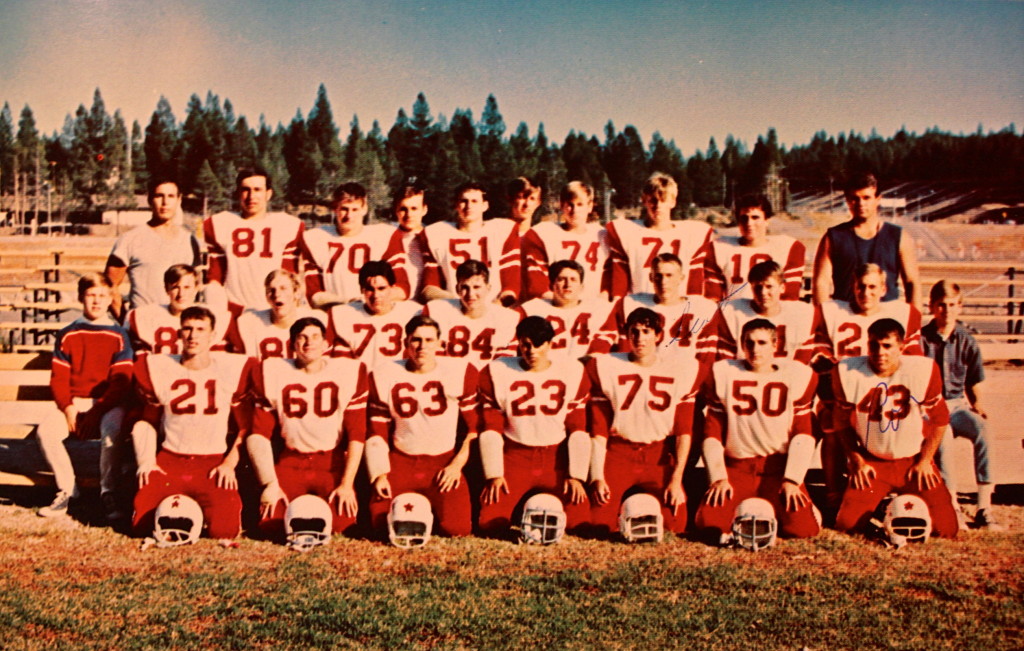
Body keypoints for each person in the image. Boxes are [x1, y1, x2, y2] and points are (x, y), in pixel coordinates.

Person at [131, 306, 255, 542]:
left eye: (200, 329)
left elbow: (245, 427)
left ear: (213, 335)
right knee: (140, 525)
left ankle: (193, 512)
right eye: (187, 329)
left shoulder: (228, 370)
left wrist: (229, 464)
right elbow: (146, 422)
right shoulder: (162, 368)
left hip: (212, 463)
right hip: (170, 459)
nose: (193, 335)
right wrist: (146, 461)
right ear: (179, 333)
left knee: (225, 530)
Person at [829, 318, 958, 538]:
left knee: (946, 529)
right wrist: (857, 460)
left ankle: (896, 502)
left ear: (901, 348)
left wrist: (925, 461)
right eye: (874, 345)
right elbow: (840, 422)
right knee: (847, 523)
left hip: (912, 462)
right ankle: (883, 506)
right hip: (874, 462)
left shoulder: (921, 370)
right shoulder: (848, 372)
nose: (880, 352)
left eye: (887, 346)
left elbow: (941, 420)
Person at [695, 319, 820, 544]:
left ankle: (807, 506)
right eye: (749, 343)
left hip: (777, 469)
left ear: (775, 345)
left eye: (762, 342)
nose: (755, 349)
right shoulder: (724, 373)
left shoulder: (796, 375)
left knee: (803, 529)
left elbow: (803, 433)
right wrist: (718, 478)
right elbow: (712, 433)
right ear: (742, 345)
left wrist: (792, 479)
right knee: (709, 523)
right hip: (738, 469)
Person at [586, 307, 705, 536]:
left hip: (657, 455)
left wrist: (676, 478)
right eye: (635, 331)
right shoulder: (607, 366)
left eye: (647, 331)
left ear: (659, 335)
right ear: (627, 334)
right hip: (618, 452)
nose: (640, 338)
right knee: (598, 522)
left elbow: (683, 431)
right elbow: (599, 430)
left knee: (676, 523)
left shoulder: (678, 369)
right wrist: (598, 476)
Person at [248, 317, 367, 538]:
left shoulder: (347, 371)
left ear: (326, 344)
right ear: (292, 343)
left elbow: (357, 434)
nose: (308, 343)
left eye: (314, 337)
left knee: (342, 523)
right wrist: (270, 483)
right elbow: (258, 435)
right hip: (291, 461)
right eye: (301, 337)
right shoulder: (273, 372)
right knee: (271, 524)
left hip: (331, 463)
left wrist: (347, 484)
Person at [365, 315, 478, 539]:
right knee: (379, 524)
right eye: (416, 340)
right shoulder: (384, 374)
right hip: (401, 461)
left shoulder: (459, 371)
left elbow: (475, 429)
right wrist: (379, 473)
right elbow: (377, 432)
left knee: (457, 529)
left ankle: (428, 511)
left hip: (442, 463)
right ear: (405, 343)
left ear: (439, 343)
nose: (422, 346)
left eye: (428, 340)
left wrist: (456, 465)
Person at [477, 316, 591, 537]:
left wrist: (575, 474)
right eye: (525, 344)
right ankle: (524, 507)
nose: (531, 350)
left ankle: (532, 507)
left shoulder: (572, 370)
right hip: (515, 456)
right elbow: (492, 427)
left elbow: (577, 427)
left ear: (550, 344)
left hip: (556, 458)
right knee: (490, 523)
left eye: (538, 344)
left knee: (581, 523)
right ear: (518, 343)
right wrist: (494, 473)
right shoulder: (497, 371)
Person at [36, 274, 133, 520]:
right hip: (75, 402)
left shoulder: (119, 335)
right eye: (91, 295)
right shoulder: (68, 333)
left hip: (106, 404)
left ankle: (107, 491)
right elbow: (59, 378)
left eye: (102, 295)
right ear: (81, 297)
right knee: (46, 432)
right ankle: (67, 490)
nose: (97, 301)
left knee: (113, 431)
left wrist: (96, 411)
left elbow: (121, 383)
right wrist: (68, 408)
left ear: (110, 298)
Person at [921, 281, 1000, 529]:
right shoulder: (921, 340)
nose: (947, 311)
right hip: (930, 407)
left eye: (952, 305)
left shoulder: (967, 341)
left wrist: (978, 405)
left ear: (960, 307)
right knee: (941, 436)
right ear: (932, 307)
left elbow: (974, 380)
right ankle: (951, 504)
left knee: (982, 429)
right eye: (941, 305)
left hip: (956, 404)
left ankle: (984, 506)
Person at [204, 167, 304, 311]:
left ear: (268, 194)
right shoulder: (221, 223)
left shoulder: (287, 226)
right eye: (246, 189)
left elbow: (289, 277)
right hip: (234, 308)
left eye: (258, 190)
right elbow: (216, 276)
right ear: (238, 193)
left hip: (274, 310)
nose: (251, 196)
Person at [812, 172, 920, 306]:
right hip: (846, 315)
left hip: (886, 316)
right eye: (854, 198)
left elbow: (912, 282)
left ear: (878, 199)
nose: (861, 203)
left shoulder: (898, 236)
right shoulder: (834, 237)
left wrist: (914, 322)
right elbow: (821, 282)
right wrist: (824, 319)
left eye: (866, 197)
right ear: (847, 200)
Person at [300, 182, 410, 309]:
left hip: (376, 314)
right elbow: (314, 293)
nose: (349, 216)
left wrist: (370, 298)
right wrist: (347, 303)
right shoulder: (316, 238)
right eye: (344, 209)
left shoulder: (384, 236)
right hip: (335, 312)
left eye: (355, 209)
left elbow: (403, 289)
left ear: (364, 209)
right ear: (335, 208)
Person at [604, 172, 714, 299]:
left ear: (673, 202)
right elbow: (620, 279)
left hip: (677, 306)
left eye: (663, 200)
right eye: (653, 200)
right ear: (644, 200)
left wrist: (692, 309)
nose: (658, 206)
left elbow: (694, 283)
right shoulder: (628, 232)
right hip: (640, 304)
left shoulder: (690, 235)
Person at [104, 176, 201, 317]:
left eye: (171, 196)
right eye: (159, 196)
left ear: (179, 200)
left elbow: (195, 287)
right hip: (144, 326)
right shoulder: (130, 239)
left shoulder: (189, 240)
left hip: (179, 329)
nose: (165, 202)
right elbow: (109, 286)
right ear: (150, 199)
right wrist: (126, 322)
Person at [598, 253, 717, 363]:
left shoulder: (703, 308)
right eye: (658, 276)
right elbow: (604, 336)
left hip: (683, 374)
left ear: (681, 278)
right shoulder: (630, 303)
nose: (664, 281)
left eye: (669, 275)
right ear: (651, 278)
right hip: (638, 370)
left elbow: (707, 355)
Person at [421, 182, 521, 306]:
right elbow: (429, 288)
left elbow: (511, 284)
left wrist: (495, 307)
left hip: (495, 307)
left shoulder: (503, 231)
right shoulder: (436, 234)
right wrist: (456, 303)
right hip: (453, 307)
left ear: (485, 205)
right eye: (464, 201)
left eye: (474, 201)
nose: (469, 206)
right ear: (456, 204)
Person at [712, 261, 817, 364]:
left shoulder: (801, 313)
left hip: (786, 377)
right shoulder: (730, 311)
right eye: (758, 287)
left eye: (769, 286)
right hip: (742, 374)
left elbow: (803, 362)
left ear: (782, 288)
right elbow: (725, 360)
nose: (763, 292)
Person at [706, 193, 805, 301]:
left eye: (755, 217)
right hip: (733, 313)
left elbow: (789, 298)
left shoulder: (787, 248)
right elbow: (713, 297)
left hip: (773, 315)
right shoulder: (720, 247)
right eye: (744, 218)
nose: (749, 223)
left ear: (767, 220)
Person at [521, 181, 609, 302]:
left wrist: (600, 303)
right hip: (554, 304)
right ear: (562, 205)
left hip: (592, 306)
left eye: (580, 204)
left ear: (590, 206)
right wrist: (562, 303)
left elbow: (609, 282)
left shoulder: (602, 235)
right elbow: (536, 284)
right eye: (570, 204)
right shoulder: (545, 234)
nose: (574, 210)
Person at [327, 261, 422, 368]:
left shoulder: (414, 313)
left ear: (392, 288)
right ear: (362, 290)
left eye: (381, 288)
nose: (376, 295)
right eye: (370, 289)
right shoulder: (342, 314)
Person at [422, 260, 520, 363]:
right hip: (447, 376)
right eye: (465, 287)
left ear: (488, 288)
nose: (471, 294)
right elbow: (433, 359)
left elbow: (502, 364)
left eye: (476, 287)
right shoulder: (438, 311)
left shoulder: (506, 318)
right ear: (457, 289)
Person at [520, 260, 615, 362]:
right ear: (551, 285)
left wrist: (589, 360)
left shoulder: (599, 308)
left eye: (573, 280)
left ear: (581, 287)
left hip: (586, 368)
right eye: (561, 279)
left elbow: (605, 340)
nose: (568, 284)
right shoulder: (532, 309)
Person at [126, 264, 231, 355]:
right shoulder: (144, 315)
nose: (181, 294)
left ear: (196, 289)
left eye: (187, 287)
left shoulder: (217, 316)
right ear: (167, 289)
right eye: (175, 287)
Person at [227, 270, 327, 360]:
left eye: (283, 288)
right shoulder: (250, 322)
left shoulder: (316, 319)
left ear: (296, 293)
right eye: (271, 290)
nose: (277, 294)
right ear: (266, 296)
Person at [391, 182, 431, 302]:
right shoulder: (386, 238)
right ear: (396, 211)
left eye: (414, 208)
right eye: (403, 209)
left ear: (424, 210)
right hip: (396, 306)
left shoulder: (434, 238)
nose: (409, 214)